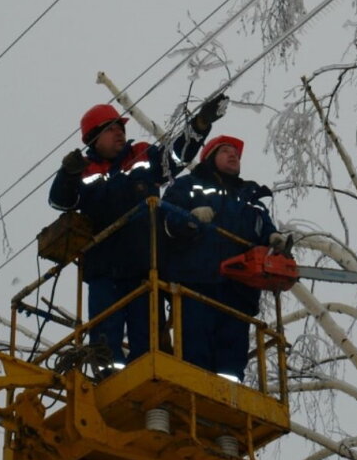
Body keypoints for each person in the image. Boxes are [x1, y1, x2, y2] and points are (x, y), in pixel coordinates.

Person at [49, 96, 227, 370]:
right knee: (105, 341)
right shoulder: (84, 170)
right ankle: (106, 380)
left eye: (121, 127)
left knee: (148, 339)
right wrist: (66, 174)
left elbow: (175, 157)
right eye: (111, 128)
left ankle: (149, 377)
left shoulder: (142, 156)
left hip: (145, 267)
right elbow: (61, 201)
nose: (120, 132)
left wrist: (199, 126)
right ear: (94, 138)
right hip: (104, 270)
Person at [162, 135, 285, 381]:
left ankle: (229, 398)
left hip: (239, 290)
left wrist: (273, 239)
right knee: (196, 348)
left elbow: (263, 228)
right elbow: (165, 219)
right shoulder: (188, 185)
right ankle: (195, 391)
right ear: (209, 158)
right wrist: (190, 218)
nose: (233, 156)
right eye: (226, 151)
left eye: (236, 154)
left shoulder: (251, 198)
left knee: (231, 358)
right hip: (197, 282)